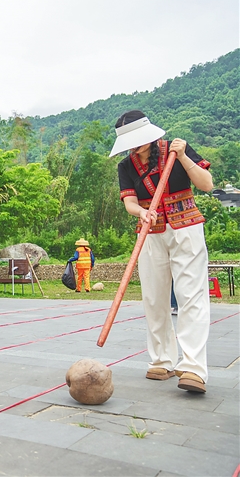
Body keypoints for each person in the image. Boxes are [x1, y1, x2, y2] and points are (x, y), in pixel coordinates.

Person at [112, 110, 213, 393]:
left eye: (138, 141)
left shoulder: (175, 149)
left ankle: (193, 367)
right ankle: (162, 360)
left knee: (190, 296)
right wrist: (141, 212)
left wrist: (183, 158)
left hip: (186, 229)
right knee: (154, 298)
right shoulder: (125, 166)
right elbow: (129, 202)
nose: (135, 147)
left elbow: (206, 184)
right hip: (151, 233)